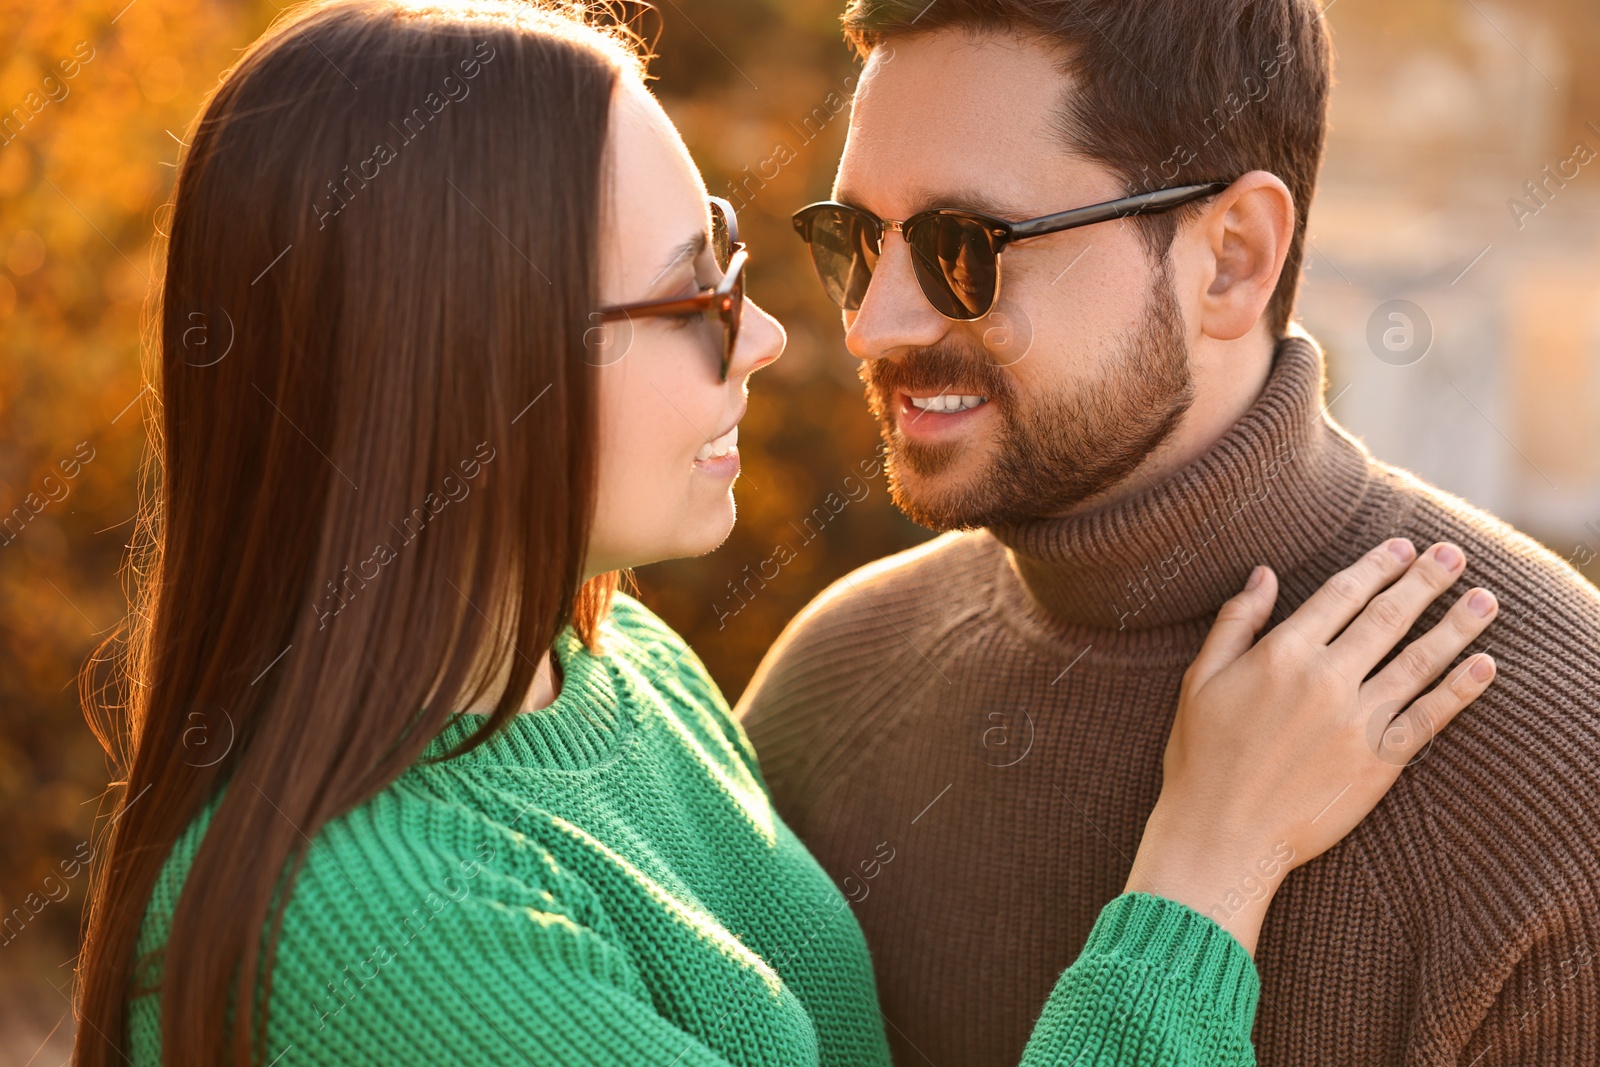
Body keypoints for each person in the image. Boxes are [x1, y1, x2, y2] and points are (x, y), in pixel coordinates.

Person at [71, 2, 1496, 1065]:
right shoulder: (377, 918)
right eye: (689, 299)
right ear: (461, 370)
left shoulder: (615, 661)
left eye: (740, 268)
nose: (769, 338)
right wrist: (1207, 864)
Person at [741, 1, 1600, 1065]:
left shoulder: (1563, 771)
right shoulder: (830, 687)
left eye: (963, 246)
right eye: (854, 240)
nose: (874, 322)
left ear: (1232, 258)